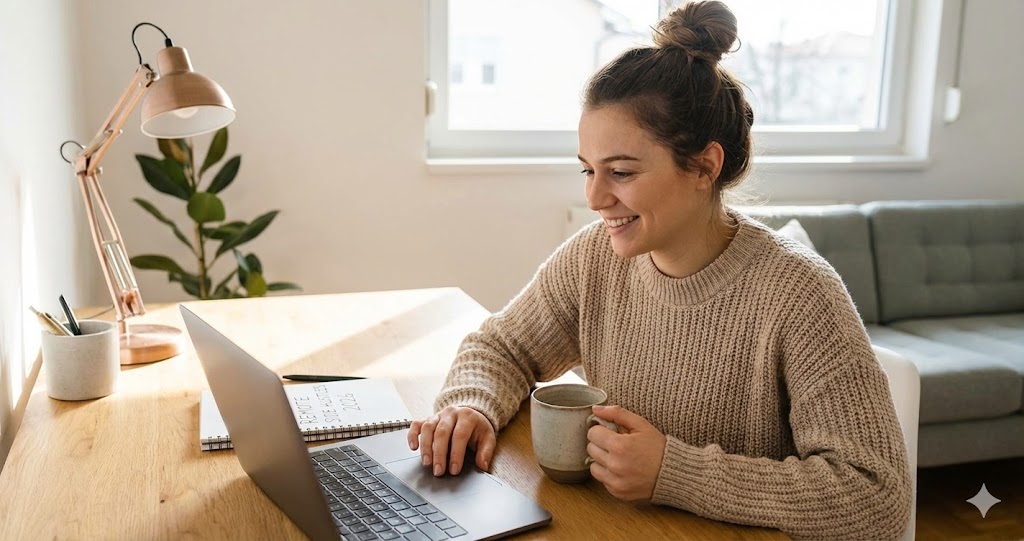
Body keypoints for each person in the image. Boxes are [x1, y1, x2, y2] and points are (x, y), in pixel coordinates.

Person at [407, 1, 912, 539]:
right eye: (588, 170)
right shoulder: (593, 257)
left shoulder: (799, 294)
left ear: (704, 166)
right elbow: (502, 347)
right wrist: (471, 406)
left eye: (620, 171)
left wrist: (676, 472)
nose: (596, 197)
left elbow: (876, 496)